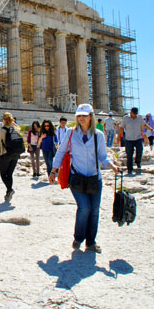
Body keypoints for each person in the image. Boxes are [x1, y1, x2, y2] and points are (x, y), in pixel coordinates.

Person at [49, 103, 120, 253]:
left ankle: (91, 242)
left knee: (94, 211)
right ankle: (78, 238)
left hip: (95, 178)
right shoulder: (70, 133)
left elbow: (103, 157)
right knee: (84, 207)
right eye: (79, 116)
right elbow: (61, 152)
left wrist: (112, 166)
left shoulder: (98, 135)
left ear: (91, 117)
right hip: (77, 178)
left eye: (84, 115)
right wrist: (53, 171)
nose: (81, 118)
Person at [0, 112, 23, 202]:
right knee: (9, 174)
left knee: (3, 173)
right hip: (15, 154)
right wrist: (12, 123)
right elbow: (19, 128)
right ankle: (8, 193)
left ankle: (10, 190)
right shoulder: (15, 128)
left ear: (3, 120)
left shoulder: (2, 130)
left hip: (5, 154)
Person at [119, 107, 154, 175]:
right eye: (134, 113)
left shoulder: (139, 118)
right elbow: (121, 127)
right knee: (129, 154)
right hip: (129, 139)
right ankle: (130, 169)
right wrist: (119, 137)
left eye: (136, 114)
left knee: (139, 151)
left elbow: (144, 125)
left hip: (138, 138)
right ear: (131, 112)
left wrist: (151, 129)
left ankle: (138, 163)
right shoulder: (125, 118)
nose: (135, 115)